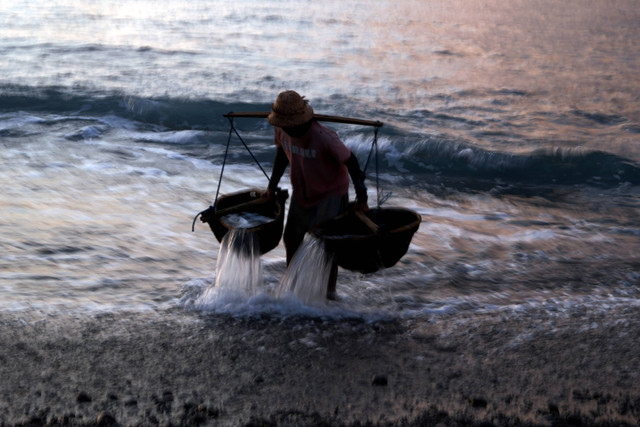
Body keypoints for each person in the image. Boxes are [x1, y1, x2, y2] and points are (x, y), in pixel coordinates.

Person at [263, 90, 369, 299]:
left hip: (331, 193)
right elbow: (281, 157)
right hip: (302, 193)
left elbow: (353, 164)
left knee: (326, 244)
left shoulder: (324, 137)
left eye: (291, 125)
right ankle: (292, 288)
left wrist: (362, 199)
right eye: (284, 125)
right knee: (292, 237)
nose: (288, 129)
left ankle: (329, 294)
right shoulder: (282, 130)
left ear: (302, 121)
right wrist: (271, 186)